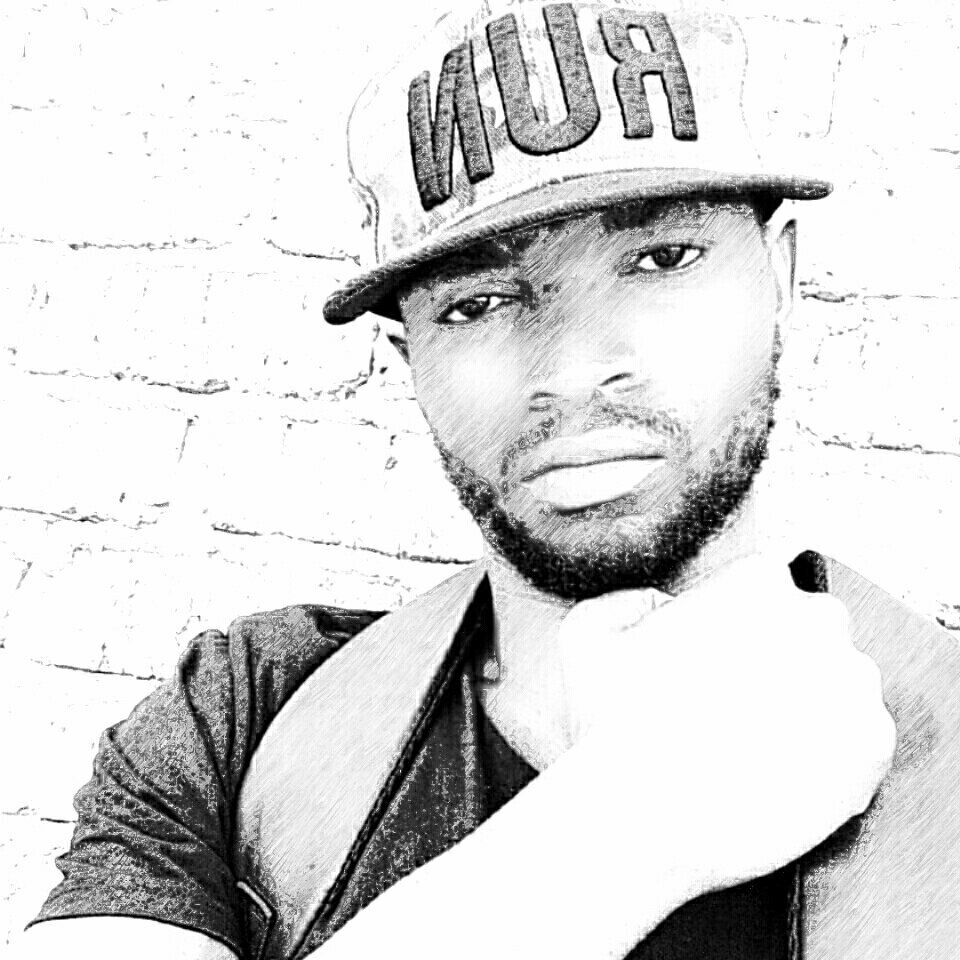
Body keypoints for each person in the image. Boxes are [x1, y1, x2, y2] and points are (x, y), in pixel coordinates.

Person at [16, 3, 958, 959]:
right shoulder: (242, 718)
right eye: (477, 303)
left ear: (781, 276)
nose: (576, 369)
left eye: (661, 258)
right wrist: (626, 823)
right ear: (407, 359)